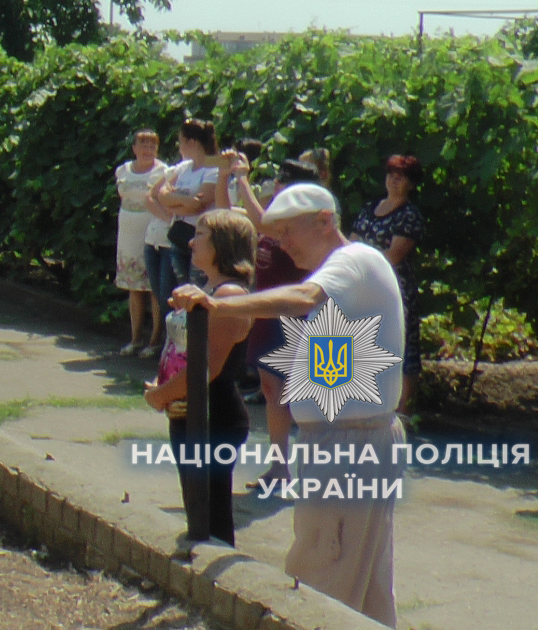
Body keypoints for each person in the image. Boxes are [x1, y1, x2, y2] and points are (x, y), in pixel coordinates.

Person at [169, 184, 405, 627]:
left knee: (320, 574)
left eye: (288, 231)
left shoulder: (351, 263)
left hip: (350, 445)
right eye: (274, 233)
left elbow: (300, 299)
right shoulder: (346, 273)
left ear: (325, 222)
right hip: (345, 440)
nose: (280, 243)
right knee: (362, 585)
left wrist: (215, 306)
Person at [144, 208, 256, 547]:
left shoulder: (229, 296)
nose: (191, 241)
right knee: (197, 507)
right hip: (190, 411)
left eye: (201, 235)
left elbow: (207, 368)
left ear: (222, 244)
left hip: (213, 416)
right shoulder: (210, 288)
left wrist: (161, 395)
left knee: (210, 515)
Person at [234, 150, 325, 488]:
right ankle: (279, 467)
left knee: (306, 395)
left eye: (284, 184)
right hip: (268, 314)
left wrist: (241, 176)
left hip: (296, 316)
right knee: (272, 390)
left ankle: (314, 470)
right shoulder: (278, 212)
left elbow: (260, 223)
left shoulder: (302, 220)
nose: (276, 189)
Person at [352, 156, 427, 416]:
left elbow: (393, 256)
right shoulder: (369, 207)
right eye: (391, 174)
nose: (394, 179)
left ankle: (402, 411)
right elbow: (351, 244)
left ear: (411, 184)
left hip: (395, 290)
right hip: (363, 288)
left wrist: (360, 266)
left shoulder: (409, 215)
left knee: (402, 346)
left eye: (401, 176)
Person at [148, 120, 223, 289]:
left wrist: (174, 201)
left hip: (202, 239)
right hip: (179, 237)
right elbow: (161, 194)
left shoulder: (213, 169)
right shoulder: (183, 167)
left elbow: (199, 206)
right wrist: (186, 200)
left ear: (192, 142)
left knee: (199, 290)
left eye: (181, 141)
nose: (179, 146)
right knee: (182, 291)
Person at [115, 130, 165, 355]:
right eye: (143, 144)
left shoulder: (163, 171)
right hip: (127, 232)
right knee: (133, 287)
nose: (147, 149)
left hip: (151, 231)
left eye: (152, 145)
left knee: (154, 288)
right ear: (134, 148)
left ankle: (154, 341)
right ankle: (135, 338)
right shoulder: (123, 170)